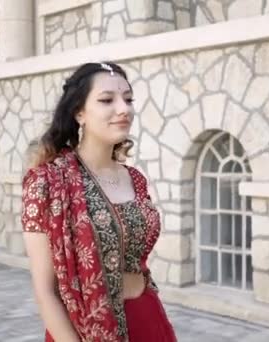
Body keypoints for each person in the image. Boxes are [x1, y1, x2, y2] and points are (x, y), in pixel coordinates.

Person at [21, 62, 178, 342]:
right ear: (78, 112)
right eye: (107, 100)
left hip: (147, 318)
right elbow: (46, 291)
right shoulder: (48, 182)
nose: (124, 109)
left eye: (128, 99)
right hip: (80, 330)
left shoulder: (135, 179)